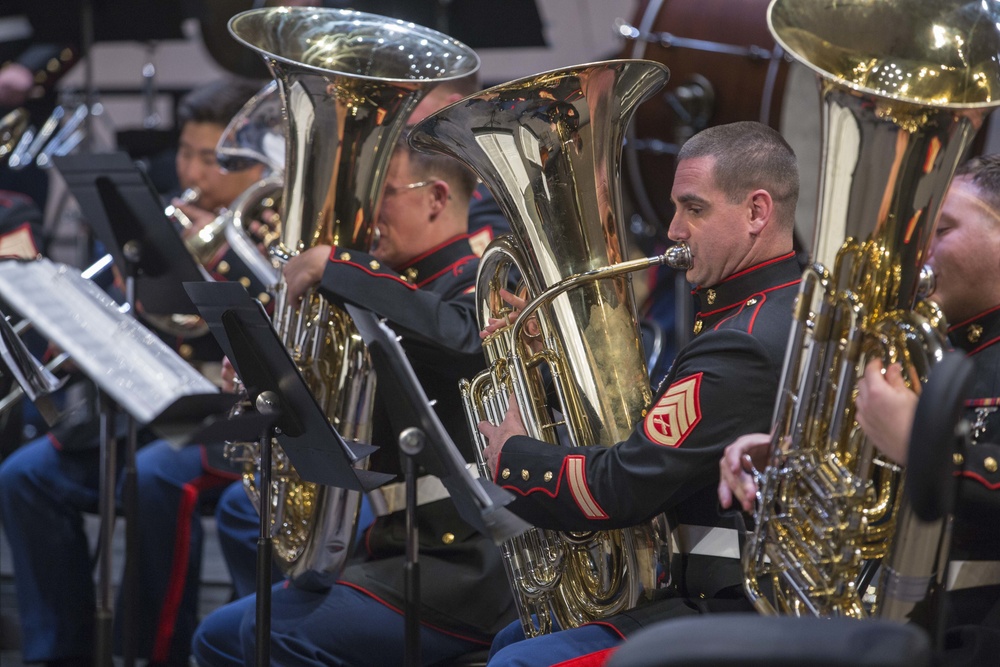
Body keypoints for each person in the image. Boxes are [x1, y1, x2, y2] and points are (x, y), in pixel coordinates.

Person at [477, 120, 802, 666]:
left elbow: (623, 486)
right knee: (512, 642)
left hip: (733, 609)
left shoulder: (742, 344)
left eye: (693, 209)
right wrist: (549, 365)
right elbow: (659, 437)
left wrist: (514, 457)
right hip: (716, 596)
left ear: (757, 212)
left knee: (518, 661)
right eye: (676, 209)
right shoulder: (766, 309)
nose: (673, 229)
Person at [191, 127, 515, 666]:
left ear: (436, 197)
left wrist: (338, 266)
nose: (366, 215)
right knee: (217, 636)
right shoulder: (384, 285)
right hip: (392, 543)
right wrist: (270, 386)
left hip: (466, 567)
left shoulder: (484, 277)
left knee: (272, 634)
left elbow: (464, 339)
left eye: (384, 193)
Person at [0, 77, 269, 667]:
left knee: (152, 480)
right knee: (25, 476)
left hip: (235, 416)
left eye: (211, 159)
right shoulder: (163, 223)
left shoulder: (269, 229)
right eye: (186, 153)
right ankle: (59, 653)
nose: (193, 172)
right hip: (155, 401)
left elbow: (257, 347)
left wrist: (197, 273)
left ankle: (154, 652)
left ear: (255, 167)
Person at [720, 154, 1000, 667]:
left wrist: (925, 451)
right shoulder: (927, 352)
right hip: (881, 630)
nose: (919, 253)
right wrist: (795, 460)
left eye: (942, 229)